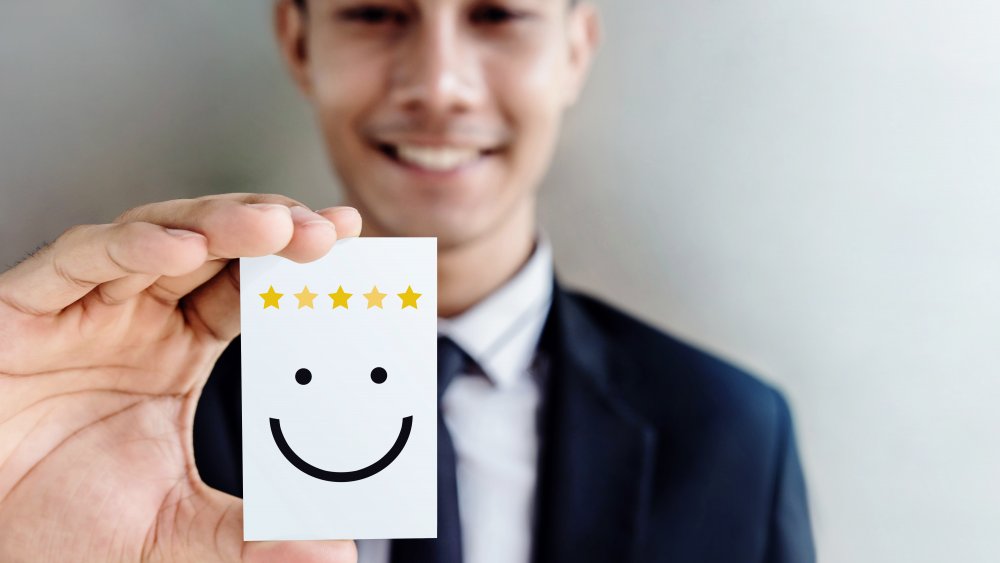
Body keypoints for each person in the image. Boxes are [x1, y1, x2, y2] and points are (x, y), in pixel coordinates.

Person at [0, 0, 815, 561]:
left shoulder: (731, 436)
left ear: (575, 47)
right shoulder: (116, 423)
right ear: (297, 39)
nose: (438, 85)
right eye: (375, 12)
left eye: (496, 14)